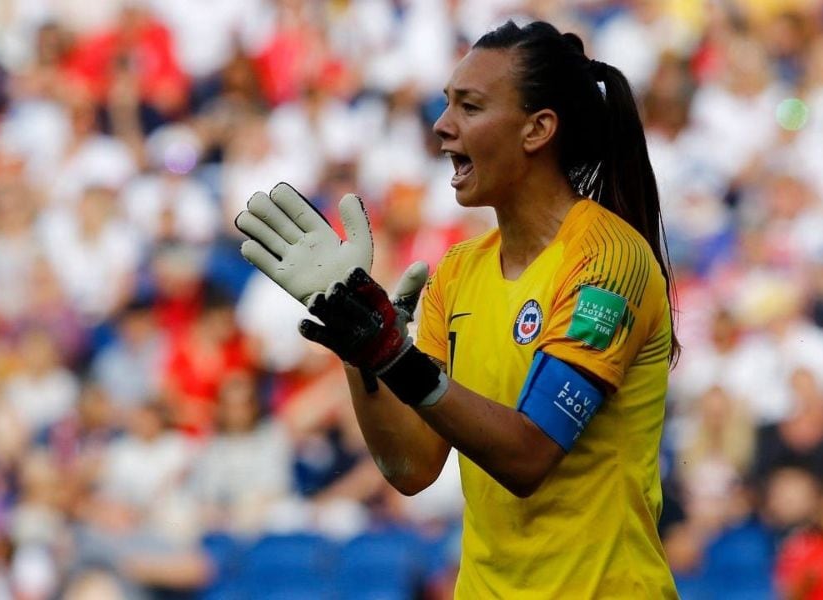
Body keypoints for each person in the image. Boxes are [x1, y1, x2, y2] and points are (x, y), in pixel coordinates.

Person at [236, 19, 680, 599]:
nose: (442, 126)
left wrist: (395, 358)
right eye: (446, 104)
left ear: (537, 129)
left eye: (468, 107)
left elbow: (528, 455)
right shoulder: (457, 270)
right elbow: (411, 469)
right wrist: (358, 349)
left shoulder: (608, 261)